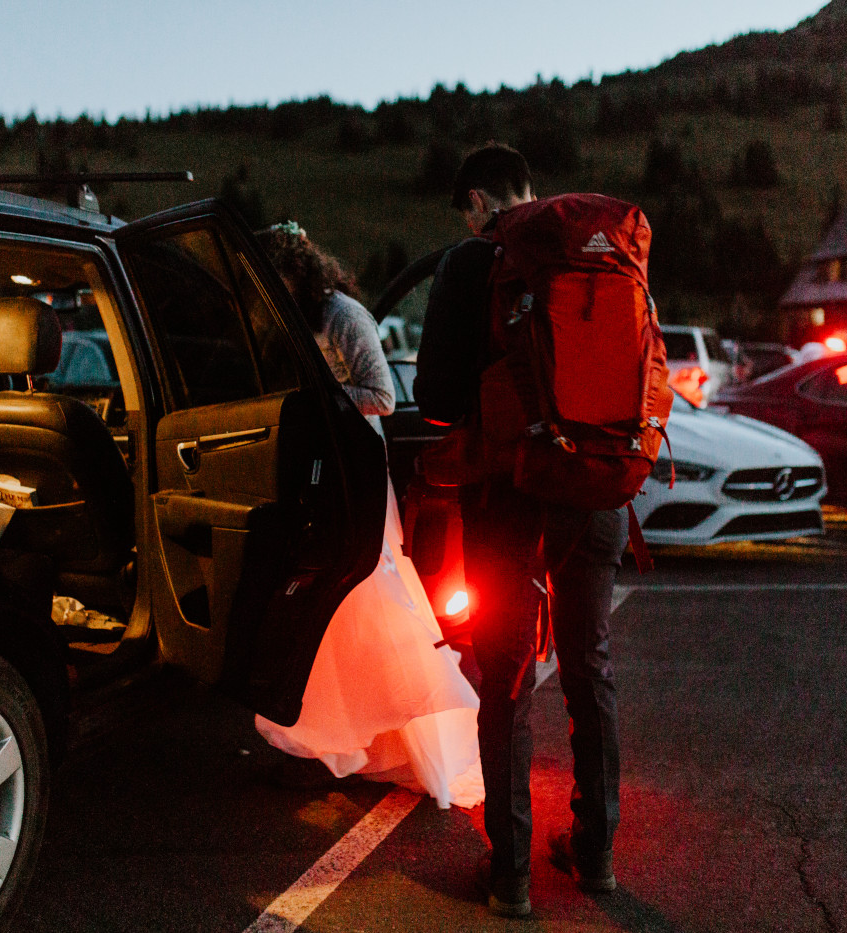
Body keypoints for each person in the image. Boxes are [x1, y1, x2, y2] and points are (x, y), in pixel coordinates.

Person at [415, 144, 630, 916]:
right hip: (597, 486)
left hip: (509, 496)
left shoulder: (472, 262)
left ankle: (511, 875)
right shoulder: (596, 253)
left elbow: (436, 400)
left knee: (505, 681)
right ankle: (596, 852)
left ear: (477, 200)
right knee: (589, 665)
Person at [252, 222, 484, 810]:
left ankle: (358, 738)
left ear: (299, 273)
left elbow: (380, 396)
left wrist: (315, 404)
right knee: (312, 599)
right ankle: (321, 737)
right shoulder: (289, 321)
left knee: (360, 592)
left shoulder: (344, 315)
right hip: (312, 467)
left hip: (353, 469)